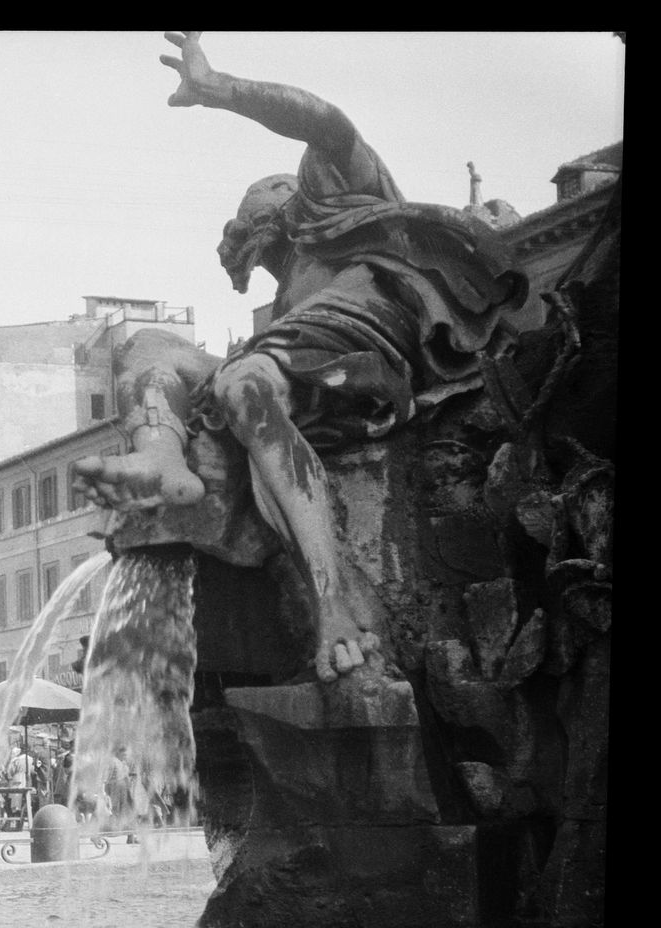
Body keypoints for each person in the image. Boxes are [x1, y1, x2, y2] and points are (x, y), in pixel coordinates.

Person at [73, 31, 527, 685]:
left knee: (243, 382)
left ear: (283, 209)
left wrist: (218, 89)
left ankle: (333, 598)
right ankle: (163, 456)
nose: (254, 252)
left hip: (359, 355)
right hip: (288, 366)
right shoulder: (286, 298)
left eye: (255, 226)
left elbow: (324, 120)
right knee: (150, 345)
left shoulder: (340, 201)